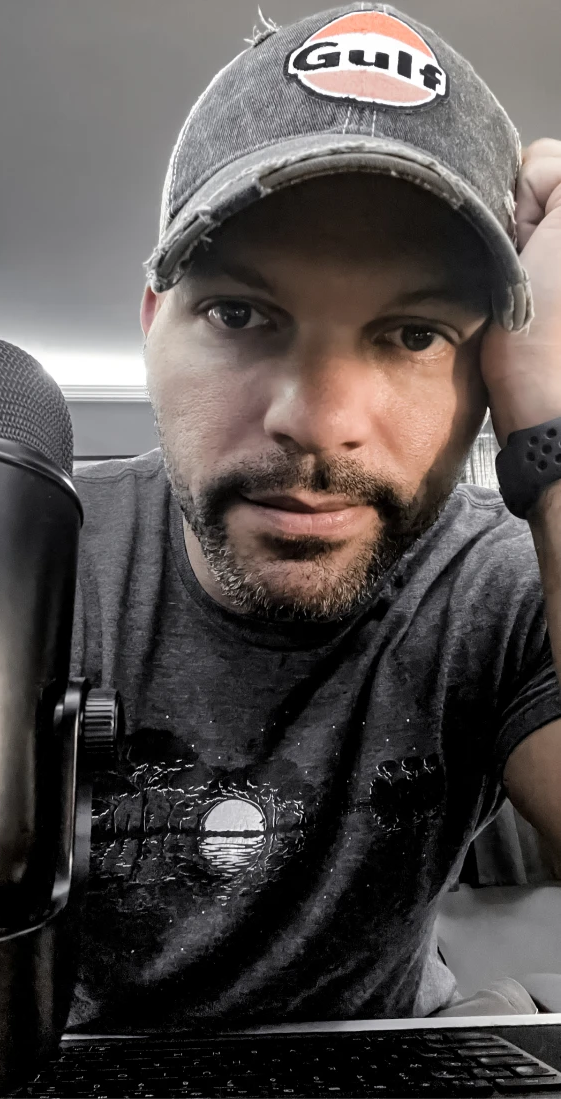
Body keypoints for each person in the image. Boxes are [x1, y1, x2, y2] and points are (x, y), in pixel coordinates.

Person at [67, 3, 561, 1032]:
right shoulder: (38, 567)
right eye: (243, 314)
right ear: (154, 325)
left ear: (488, 378)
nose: (320, 422)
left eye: (413, 333)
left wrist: (556, 437)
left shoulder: (504, 585)